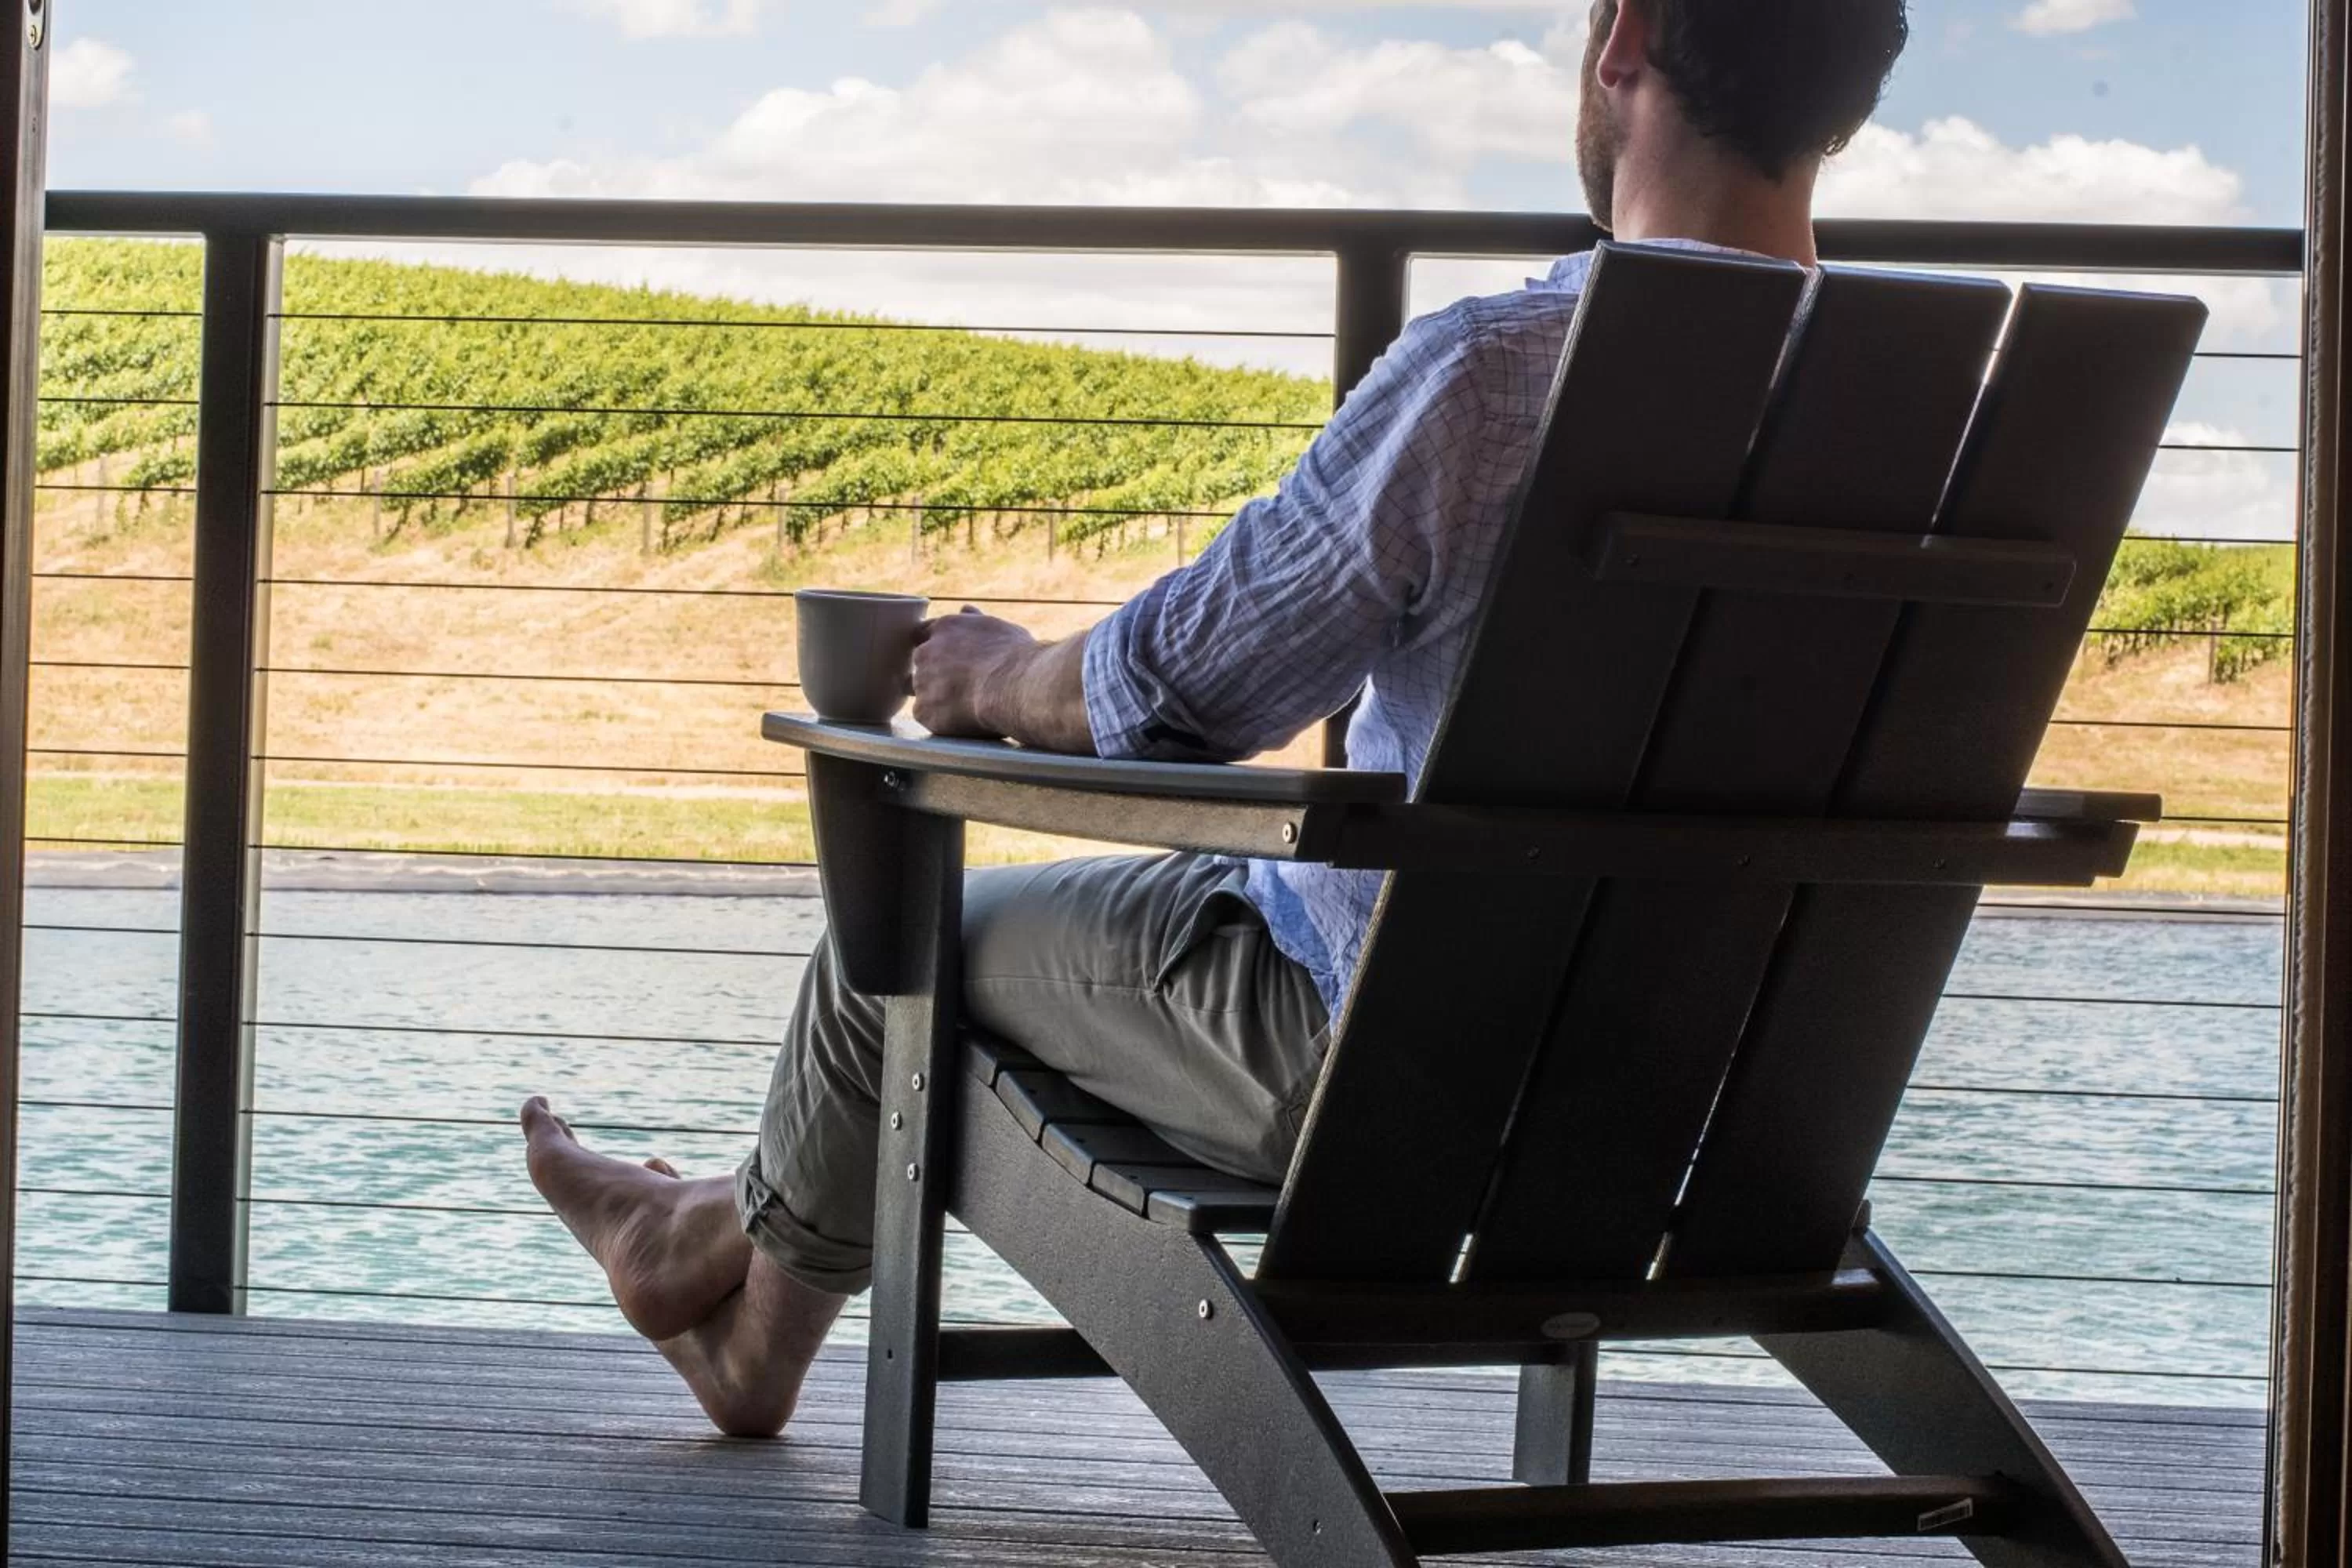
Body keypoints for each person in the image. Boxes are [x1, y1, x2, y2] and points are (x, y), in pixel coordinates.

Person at [520, 0, 1911, 1438]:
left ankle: (715, 1289)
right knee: (1169, 900)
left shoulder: (1498, 373)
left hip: (1390, 1078)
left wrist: (993, 681)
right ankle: (701, 1237)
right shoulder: (1927, 416)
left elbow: (1195, 692)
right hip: (1725, 1117)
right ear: (1848, 97)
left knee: (893, 940)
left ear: (1625, 38)